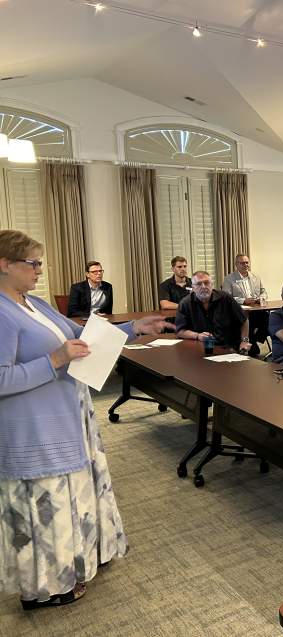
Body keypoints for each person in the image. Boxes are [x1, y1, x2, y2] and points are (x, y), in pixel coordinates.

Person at [0, 229, 172, 610]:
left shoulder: (34, 303)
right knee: (48, 507)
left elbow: (82, 336)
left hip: (68, 417)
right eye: (33, 263)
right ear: (4, 265)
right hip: (34, 430)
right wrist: (55, 360)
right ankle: (46, 588)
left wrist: (133, 329)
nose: (39, 271)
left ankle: (78, 561)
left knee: (72, 497)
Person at [175, 271, 252, 353]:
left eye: (206, 283)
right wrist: (197, 335)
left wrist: (245, 341)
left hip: (229, 348)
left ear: (212, 285)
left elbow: (244, 320)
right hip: (201, 348)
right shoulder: (185, 303)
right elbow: (180, 331)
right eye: (199, 284)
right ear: (193, 288)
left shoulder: (225, 298)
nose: (203, 287)